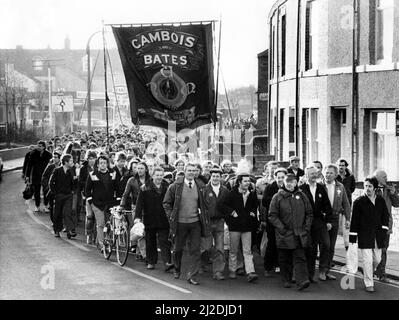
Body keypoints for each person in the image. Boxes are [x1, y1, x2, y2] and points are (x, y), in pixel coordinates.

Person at [163, 162, 209, 285]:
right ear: (185, 171)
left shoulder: (200, 186)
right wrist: (171, 216)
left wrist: (203, 215)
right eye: (189, 170)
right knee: (178, 249)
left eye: (194, 171)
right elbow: (166, 203)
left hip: (195, 223)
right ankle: (177, 269)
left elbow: (205, 204)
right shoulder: (175, 186)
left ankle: (192, 275)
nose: (191, 173)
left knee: (195, 250)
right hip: (180, 223)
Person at [268, 173, 313, 290]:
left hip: (299, 233)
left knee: (300, 257)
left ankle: (302, 281)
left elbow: (309, 213)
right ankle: (286, 279)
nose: (289, 183)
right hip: (284, 233)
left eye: (292, 181)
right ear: (283, 182)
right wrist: (281, 228)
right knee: (285, 258)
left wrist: (306, 228)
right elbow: (272, 215)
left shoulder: (302, 195)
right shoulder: (277, 197)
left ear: (296, 183)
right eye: (287, 181)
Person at [349, 176, 390, 293]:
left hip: (378, 235)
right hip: (364, 235)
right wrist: (353, 238)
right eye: (365, 186)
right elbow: (354, 221)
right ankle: (369, 283)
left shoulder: (380, 200)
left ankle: (368, 271)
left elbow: (385, 216)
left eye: (370, 186)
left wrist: (384, 229)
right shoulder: (358, 202)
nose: (367, 188)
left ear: (375, 188)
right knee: (367, 260)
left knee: (377, 259)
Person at [220, 172, 259, 283]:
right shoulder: (231, 194)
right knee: (233, 250)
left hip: (247, 226)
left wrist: (252, 212)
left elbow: (255, 205)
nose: (248, 183)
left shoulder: (251, 193)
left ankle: (250, 272)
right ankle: (232, 270)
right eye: (245, 181)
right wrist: (232, 213)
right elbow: (223, 205)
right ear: (239, 182)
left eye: (249, 181)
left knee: (247, 250)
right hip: (234, 226)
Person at [135, 167, 174, 271]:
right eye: (157, 175)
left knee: (164, 241)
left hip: (163, 218)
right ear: (152, 176)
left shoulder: (168, 187)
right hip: (149, 217)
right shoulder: (144, 187)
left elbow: (172, 202)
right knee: (150, 241)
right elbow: (139, 204)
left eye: (161, 175)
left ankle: (167, 262)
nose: (159, 177)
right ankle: (151, 261)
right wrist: (137, 217)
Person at [300, 165, 333, 282]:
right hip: (307, 223)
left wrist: (328, 220)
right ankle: (310, 275)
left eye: (315, 173)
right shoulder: (301, 189)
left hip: (320, 221)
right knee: (311, 249)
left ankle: (323, 270)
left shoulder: (321, 188)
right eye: (311, 174)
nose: (314, 175)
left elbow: (327, 206)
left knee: (326, 244)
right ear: (306, 175)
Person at [322, 164, 351, 280]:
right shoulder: (319, 185)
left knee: (331, 246)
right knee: (325, 244)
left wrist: (348, 219)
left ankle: (327, 270)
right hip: (322, 218)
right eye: (326, 172)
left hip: (334, 218)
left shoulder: (340, 187)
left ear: (335, 175)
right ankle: (321, 270)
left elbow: (346, 203)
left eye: (331, 173)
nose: (328, 175)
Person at [85, 155, 118, 252]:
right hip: (97, 203)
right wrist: (91, 201)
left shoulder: (113, 173)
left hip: (110, 203)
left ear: (107, 163)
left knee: (109, 224)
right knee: (101, 224)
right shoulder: (92, 174)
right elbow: (87, 190)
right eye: (101, 163)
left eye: (104, 162)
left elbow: (118, 187)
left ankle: (105, 241)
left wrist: (118, 200)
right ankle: (102, 245)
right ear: (98, 164)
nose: (103, 165)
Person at [201, 167, 229, 280]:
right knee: (206, 247)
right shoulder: (204, 189)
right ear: (210, 177)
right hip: (207, 222)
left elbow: (227, 206)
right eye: (213, 176)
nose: (216, 178)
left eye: (218, 176)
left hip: (220, 222)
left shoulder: (225, 190)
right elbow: (201, 206)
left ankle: (218, 272)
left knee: (220, 248)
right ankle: (202, 264)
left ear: (220, 177)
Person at [373, 169, 399, 282]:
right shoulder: (371, 188)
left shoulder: (389, 190)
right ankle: (377, 271)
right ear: (377, 178)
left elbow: (397, 204)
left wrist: (394, 193)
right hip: (374, 225)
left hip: (386, 225)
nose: (386, 179)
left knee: (383, 249)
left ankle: (380, 272)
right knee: (376, 249)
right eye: (384, 177)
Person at [261, 168, 287, 277]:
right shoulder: (270, 187)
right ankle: (268, 267)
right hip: (272, 220)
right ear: (275, 177)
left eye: (283, 177)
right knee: (271, 244)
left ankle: (280, 266)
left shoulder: (289, 187)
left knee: (283, 244)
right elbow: (264, 201)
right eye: (278, 177)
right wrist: (277, 196)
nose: (280, 179)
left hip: (285, 220)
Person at [49, 154, 76, 238]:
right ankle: (57, 230)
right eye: (71, 161)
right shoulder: (57, 170)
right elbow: (51, 182)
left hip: (68, 195)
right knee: (58, 213)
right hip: (59, 195)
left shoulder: (72, 171)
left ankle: (70, 230)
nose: (72, 162)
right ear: (65, 162)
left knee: (68, 212)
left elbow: (74, 183)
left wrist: (74, 183)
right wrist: (55, 192)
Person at [26, 141, 53, 212]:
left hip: (45, 175)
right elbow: (29, 165)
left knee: (46, 191)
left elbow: (51, 166)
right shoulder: (33, 154)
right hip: (36, 175)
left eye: (40, 146)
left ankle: (46, 205)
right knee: (36, 191)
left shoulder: (48, 155)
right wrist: (27, 175)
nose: (38, 147)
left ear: (44, 147)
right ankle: (37, 205)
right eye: (38, 146)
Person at [336, 158, 356, 250]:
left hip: (347, 201)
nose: (341, 167)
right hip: (336, 202)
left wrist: (347, 194)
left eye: (343, 165)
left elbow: (352, 188)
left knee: (346, 223)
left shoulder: (350, 177)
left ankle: (347, 244)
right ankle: (334, 244)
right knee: (336, 223)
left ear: (346, 166)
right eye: (339, 165)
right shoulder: (335, 176)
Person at [80, 151, 97, 245]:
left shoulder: (98, 168)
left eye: (93, 158)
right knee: (90, 216)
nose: (92, 160)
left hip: (98, 195)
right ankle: (89, 235)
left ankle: (95, 236)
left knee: (97, 217)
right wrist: (88, 182)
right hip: (88, 194)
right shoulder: (83, 169)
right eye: (90, 158)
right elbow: (80, 181)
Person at [41, 151, 62, 218]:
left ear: (59, 158)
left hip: (59, 190)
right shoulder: (50, 166)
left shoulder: (62, 167)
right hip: (51, 190)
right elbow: (44, 176)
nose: (54, 158)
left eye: (56, 157)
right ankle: (53, 220)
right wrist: (46, 186)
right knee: (52, 206)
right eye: (53, 157)